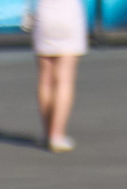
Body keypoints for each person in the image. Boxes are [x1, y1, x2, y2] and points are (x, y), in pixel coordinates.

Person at [29, 0, 80, 151]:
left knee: (45, 79)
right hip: (69, 14)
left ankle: (48, 133)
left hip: (44, 13)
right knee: (64, 80)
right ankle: (57, 135)